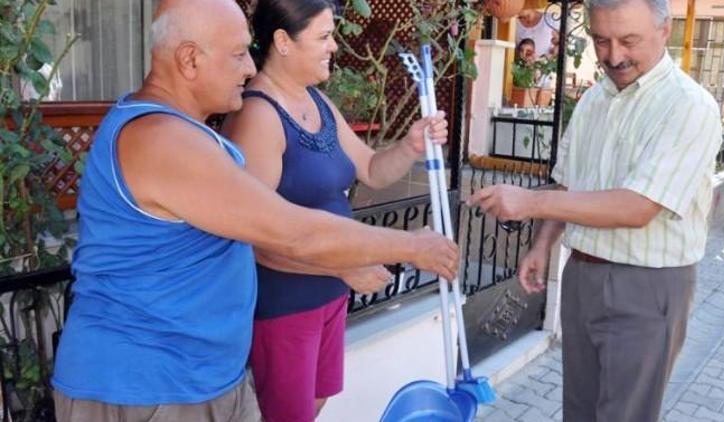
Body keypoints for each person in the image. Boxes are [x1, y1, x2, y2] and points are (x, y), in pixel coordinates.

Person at [50, 1, 459, 421]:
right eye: (238, 54)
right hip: (143, 387)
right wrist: (411, 245)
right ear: (190, 59)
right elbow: (291, 231)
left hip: (203, 378)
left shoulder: (188, 131)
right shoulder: (159, 139)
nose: (249, 68)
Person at [469, 0, 722, 420]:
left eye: (629, 40)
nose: (614, 55)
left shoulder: (689, 107)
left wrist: (530, 202)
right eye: (601, 40)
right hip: (582, 275)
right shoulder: (594, 99)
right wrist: (543, 245)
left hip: (648, 285)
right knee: (579, 410)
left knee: (625, 414)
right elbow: (570, 179)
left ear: (665, 29)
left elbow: (638, 207)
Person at [221, 1, 451, 420]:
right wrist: (340, 267)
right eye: (324, 37)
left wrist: (409, 146)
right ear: (283, 42)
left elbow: (370, 168)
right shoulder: (259, 116)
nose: (334, 46)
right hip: (285, 305)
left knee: (315, 404)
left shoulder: (317, 103)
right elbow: (252, 237)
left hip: (328, 297)